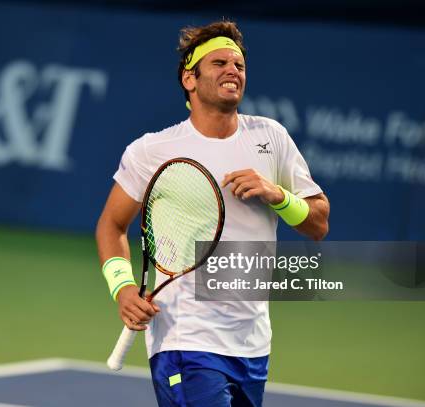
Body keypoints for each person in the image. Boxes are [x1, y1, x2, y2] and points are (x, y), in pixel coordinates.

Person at [95, 20, 330, 407]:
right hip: (186, 338)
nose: (232, 71)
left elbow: (319, 223)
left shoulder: (270, 137)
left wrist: (277, 195)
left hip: (253, 341)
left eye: (239, 65)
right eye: (219, 63)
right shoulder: (151, 150)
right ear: (190, 78)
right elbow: (111, 224)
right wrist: (121, 287)